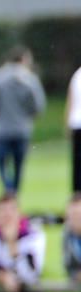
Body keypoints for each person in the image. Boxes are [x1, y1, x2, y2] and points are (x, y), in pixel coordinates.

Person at [0, 47, 45, 194]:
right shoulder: (30, 79)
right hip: (23, 130)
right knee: (19, 167)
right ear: (23, 59)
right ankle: (14, 193)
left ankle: (8, 190)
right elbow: (38, 106)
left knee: (2, 164)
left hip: (2, 130)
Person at [68, 63, 81, 194]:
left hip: (76, 124)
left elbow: (70, 101)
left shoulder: (77, 74)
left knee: (77, 166)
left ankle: (77, 195)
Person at [63, 194, 81, 283]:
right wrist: (77, 275)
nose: (75, 219)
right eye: (71, 215)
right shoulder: (67, 233)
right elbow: (68, 266)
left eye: (78, 215)